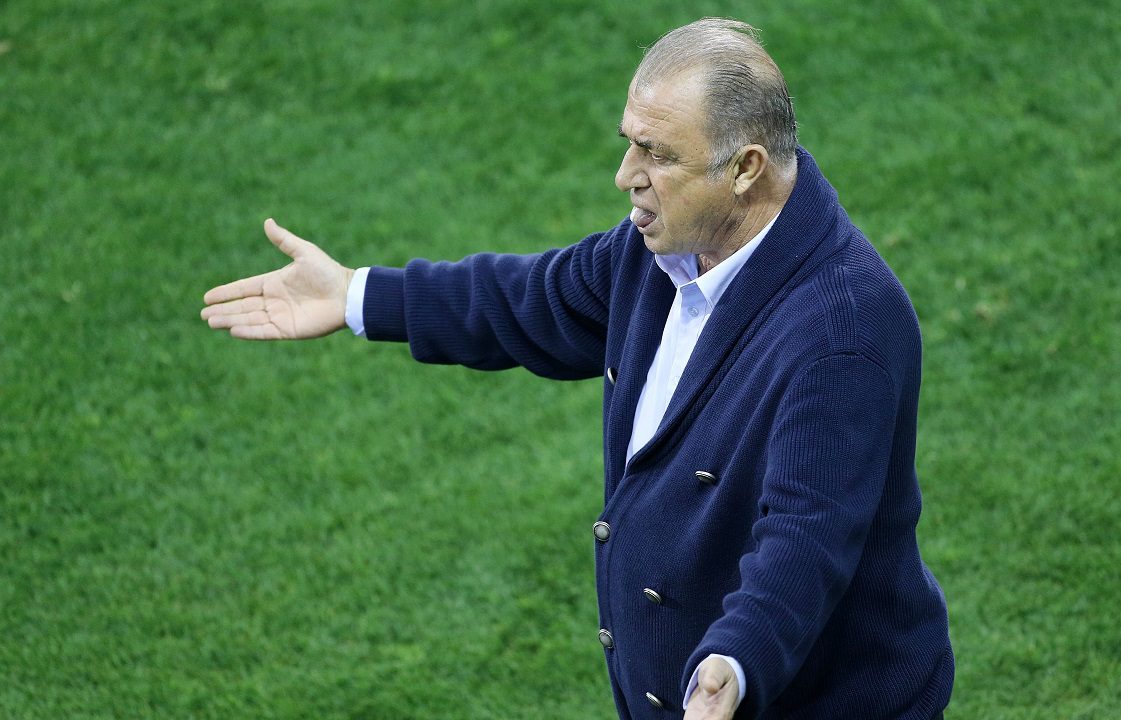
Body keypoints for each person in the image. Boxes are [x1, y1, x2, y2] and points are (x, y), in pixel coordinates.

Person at [201, 18, 953, 720]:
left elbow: (807, 535)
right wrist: (355, 295)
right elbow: (529, 299)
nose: (627, 175)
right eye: (630, 144)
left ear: (745, 169)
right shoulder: (658, 253)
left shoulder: (844, 331)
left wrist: (735, 661)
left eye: (658, 155)